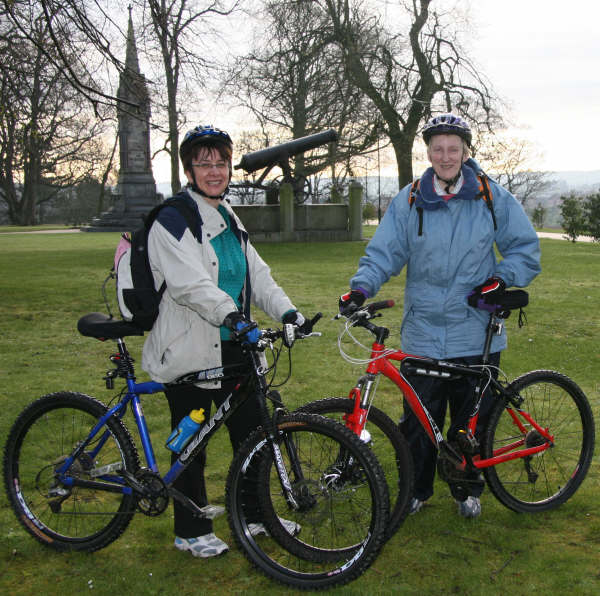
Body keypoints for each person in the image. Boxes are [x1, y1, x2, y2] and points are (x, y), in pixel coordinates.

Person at [339, 113, 541, 518]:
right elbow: (385, 252)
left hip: (476, 328)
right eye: (438, 149)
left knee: (471, 421)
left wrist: (502, 279)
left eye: (453, 148)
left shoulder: (490, 196)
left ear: (465, 151)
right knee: (418, 421)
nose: (446, 156)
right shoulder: (410, 199)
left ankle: (467, 490)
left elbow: (524, 248)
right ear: (428, 151)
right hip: (425, 331)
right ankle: (417, 490)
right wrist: (362, 286)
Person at [142, 124, 308, 557]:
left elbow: (258, 276)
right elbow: (190, 285)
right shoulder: (173, 219)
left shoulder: (228, 215)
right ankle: (190, 530)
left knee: (252, 435)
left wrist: (288, 311)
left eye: (220, 162)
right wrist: (232, 316)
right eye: (204, 163)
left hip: (235, 346)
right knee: (192, 439)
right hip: (190, 348)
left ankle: (255, 517)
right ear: (189, 169)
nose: (214, 171)